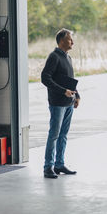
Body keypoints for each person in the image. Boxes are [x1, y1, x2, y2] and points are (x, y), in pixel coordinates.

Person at [41, 28, 80, 179]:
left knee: (63, 135)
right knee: (54, 135)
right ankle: (47, 167)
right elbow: (45, 78)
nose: (72, 42)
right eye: (70, 39)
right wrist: (63, 91)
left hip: (69, 103)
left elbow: (70, 79)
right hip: (57, 103)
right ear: (62, 40)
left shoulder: (68, 58)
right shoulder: (54, 56)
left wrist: (77, 95)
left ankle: (59, 164)